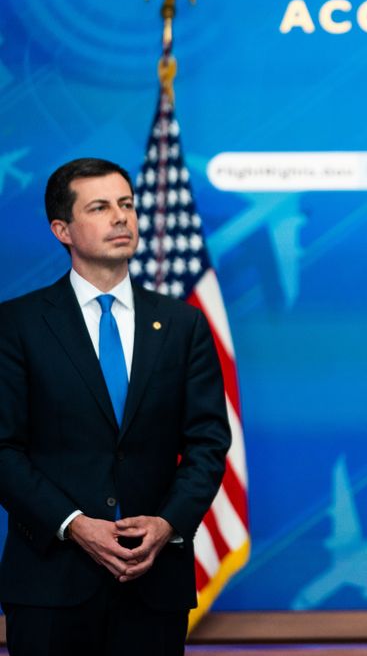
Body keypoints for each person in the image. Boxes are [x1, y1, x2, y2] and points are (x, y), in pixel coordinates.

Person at [0, 158, 231, 655]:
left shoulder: (182, 325)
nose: (121, 218)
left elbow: (209, 443)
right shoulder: (16, 325)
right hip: (50, 584)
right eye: (101, 207)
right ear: (62, 229)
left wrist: (167, 523)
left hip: (153, 584)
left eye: (127, 204)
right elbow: (3, 449)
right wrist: (74, 524)